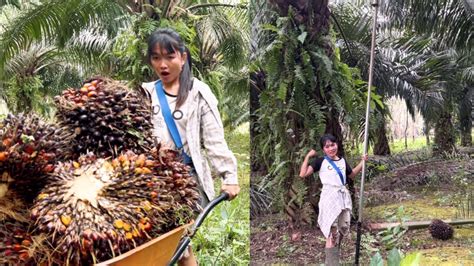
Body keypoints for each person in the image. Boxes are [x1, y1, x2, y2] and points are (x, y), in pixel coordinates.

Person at [141, 28, 240, 266]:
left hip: (185, 183)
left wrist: (229, 175)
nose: (163, 64)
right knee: (175, 243)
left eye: (169, 56)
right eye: (156, 58)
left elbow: (215, 139)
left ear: (183, 58)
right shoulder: (147, 93)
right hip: (152, 181)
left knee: (178, 239)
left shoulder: (198, 93)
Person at [299, 134, 367, 266]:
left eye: (333, 145)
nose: (331, 148)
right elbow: (303, 174)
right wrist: (308, 156)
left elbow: (351, 175)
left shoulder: (342, 161)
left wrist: (363, 162)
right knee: (330, 232)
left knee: (342, 229)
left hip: (342, 198)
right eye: (327, 146)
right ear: (323, 149)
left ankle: (333, 259)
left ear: (337, 145)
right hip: (329, 198)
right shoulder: (320, 161)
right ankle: (331, 263)